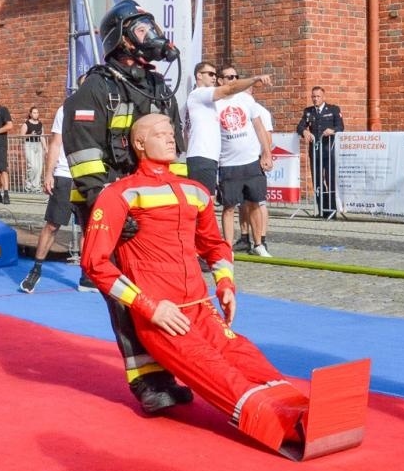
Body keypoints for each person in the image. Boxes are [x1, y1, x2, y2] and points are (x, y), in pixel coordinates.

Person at [80, 114, 310, 453]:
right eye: (160, 134)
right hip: (164, 317)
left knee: (244, 354)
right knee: (215, 370)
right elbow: (94, 263)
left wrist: (225, 284)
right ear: (139, 143)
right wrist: (149, 307)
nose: (170, 139)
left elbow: (215, 246)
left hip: (201, 308)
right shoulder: (120, 194)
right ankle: (281, 426)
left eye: (171, 132)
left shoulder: (195, 191)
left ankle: (304, 411)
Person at [63, 0, 190, 414]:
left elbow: (174, 150)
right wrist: (113, 209)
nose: (152, 34)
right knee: (124, 295)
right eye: (141, 28)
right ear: (120, 39)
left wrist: (181, 201)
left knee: (161, 290)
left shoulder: (159, 87)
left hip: (151, 206)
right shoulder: (95, 89)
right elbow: (85, 158)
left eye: (152, 26)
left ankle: (169, 369)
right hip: (108, 206)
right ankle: (146, 380)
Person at [186, 62, 272, 208]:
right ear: (199, 76)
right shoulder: (199, 94)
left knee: (207, 203)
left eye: (215, 74)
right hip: (201, 157)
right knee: (202, 204)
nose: (214, 77)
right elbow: (230, 89)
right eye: (210, 74)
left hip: (210, 158)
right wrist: (254, 79)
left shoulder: (210, 100)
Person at [214, 65, 274, 257]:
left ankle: (258, 244)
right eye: (229, 77)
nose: (233, 80)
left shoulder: (246, 99)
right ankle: (227, 247)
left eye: (236, 76)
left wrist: (266, 153)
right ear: (220, 80)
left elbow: (259, 127)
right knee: (229, 207)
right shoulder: (215, 102)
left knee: (255, 203)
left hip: (251, 160)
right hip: (228, 163)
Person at [18, 102, 75, 293]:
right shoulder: (65, 109)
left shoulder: (101, 105)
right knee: (52, 225)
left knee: (89, 226)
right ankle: (36, 269)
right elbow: (56, 143)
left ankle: (86, 276)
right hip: (65, 174)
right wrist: (49, 173)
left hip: (89, 175)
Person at [296, 87, 344, 216]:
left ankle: (332, 211)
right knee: (317, 181)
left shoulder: (333, 109)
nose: (315, 99)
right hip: (315, 152)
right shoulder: (308, 111)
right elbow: (299, 126)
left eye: (318, 96)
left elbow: (341, 127)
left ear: (323, 97)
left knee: (330, 180)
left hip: (329, 151)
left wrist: (332, 131)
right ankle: (322, 210)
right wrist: (304, 131)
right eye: (313, 96)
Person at [22, 106, 44, 191]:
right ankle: (28, 184)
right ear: (30, 114)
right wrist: (30, 134)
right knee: (33, 166)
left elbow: (42, 136)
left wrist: (46, 148)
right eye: (34, 113)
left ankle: (36, 186)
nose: (36, 114)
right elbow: (22, 136)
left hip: (38, 144)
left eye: (37, 113)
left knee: (39, 167)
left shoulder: (40, 124)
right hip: (29, 144)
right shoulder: (26, 124)